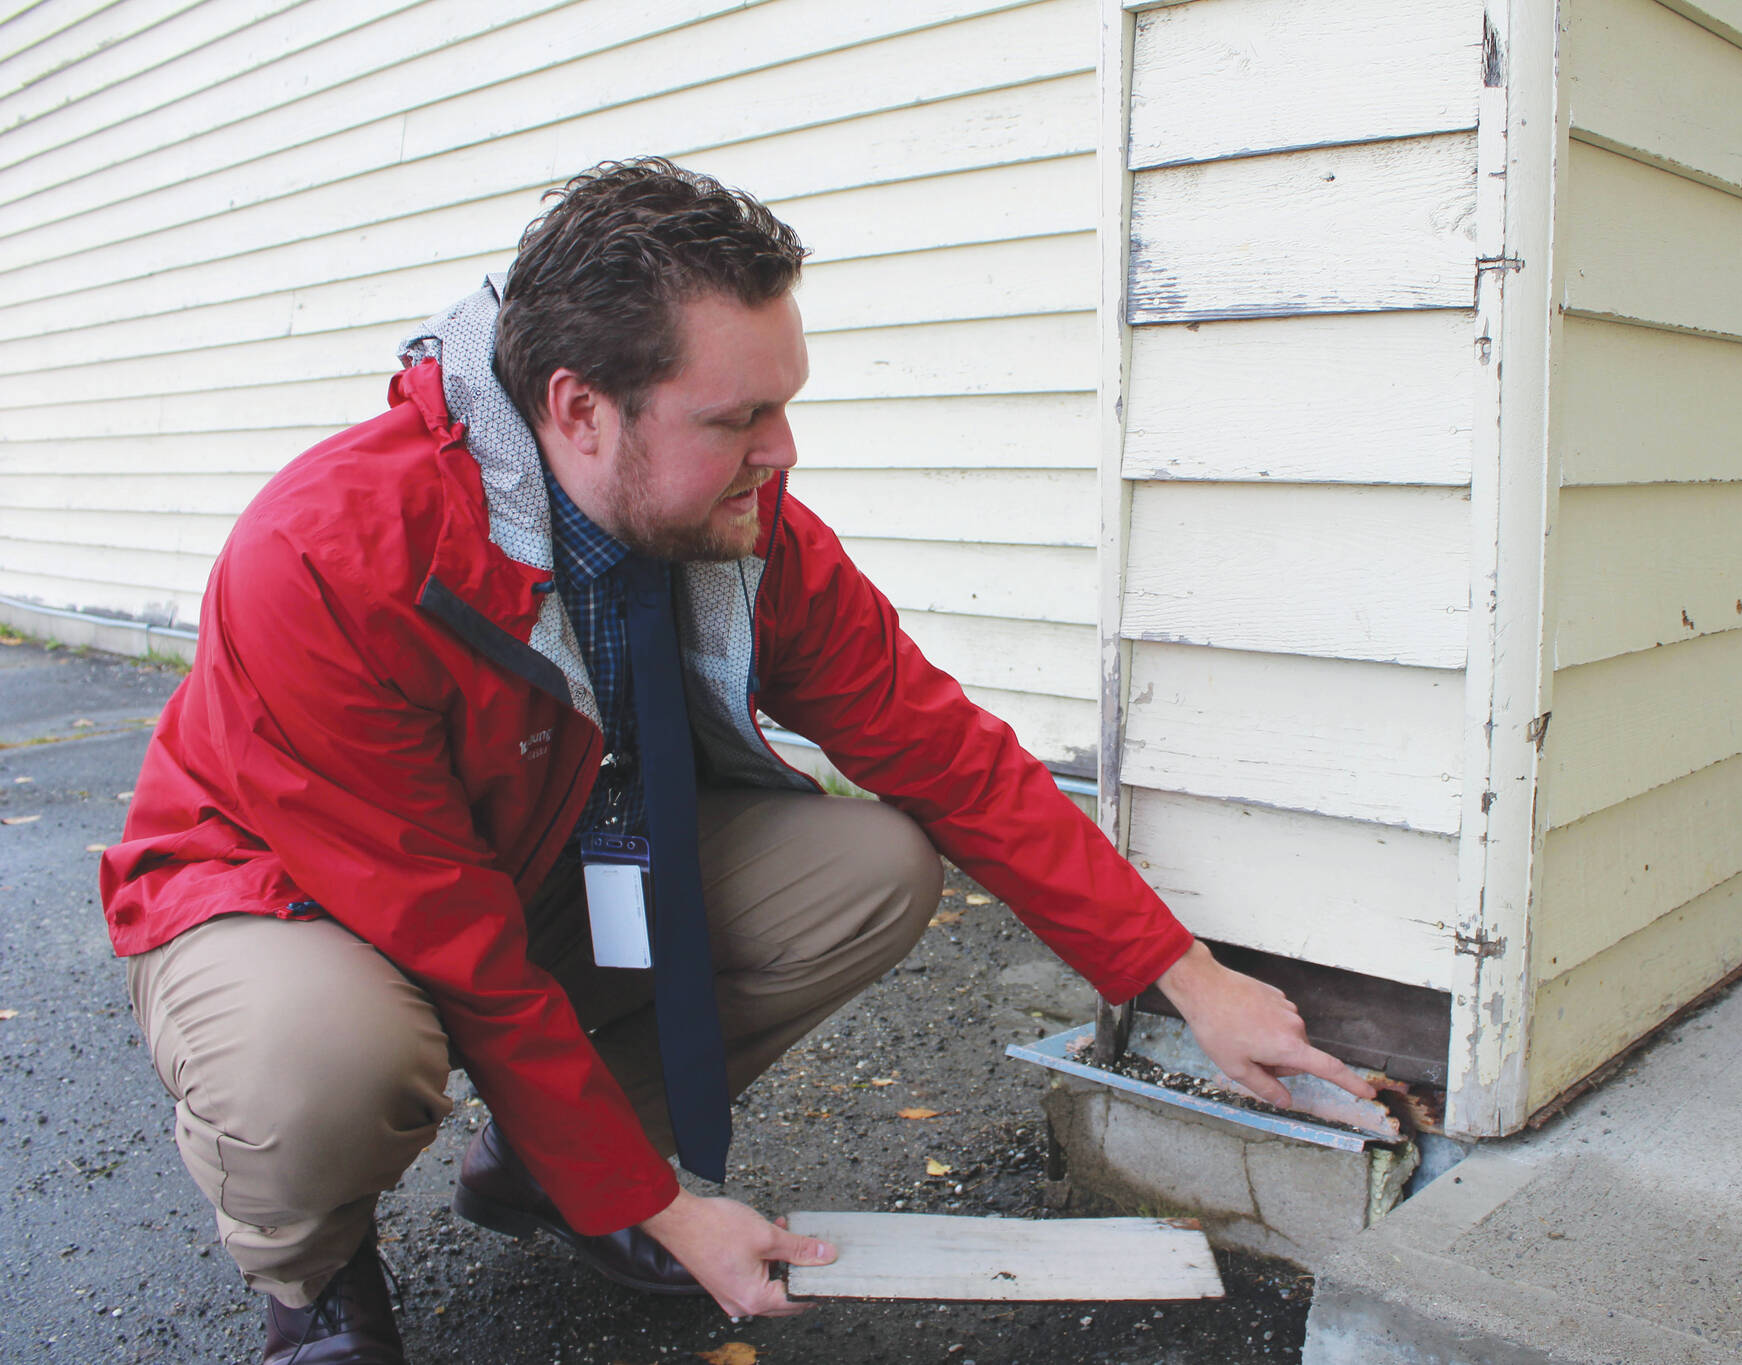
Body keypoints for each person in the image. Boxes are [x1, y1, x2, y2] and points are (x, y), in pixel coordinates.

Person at [100, 158, 1378, 1364]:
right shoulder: (332, 555)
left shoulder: (747, 532)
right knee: (324, 1061)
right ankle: (309, 1272)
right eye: (739, 416)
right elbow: (451, 939)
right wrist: (662, 1206)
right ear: (579, 409)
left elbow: (940, 748)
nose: (783, 451)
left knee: (870, 865)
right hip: (284, 898)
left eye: (787, 403)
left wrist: (1181, 977)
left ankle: (559, 1172)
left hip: (527, 851)